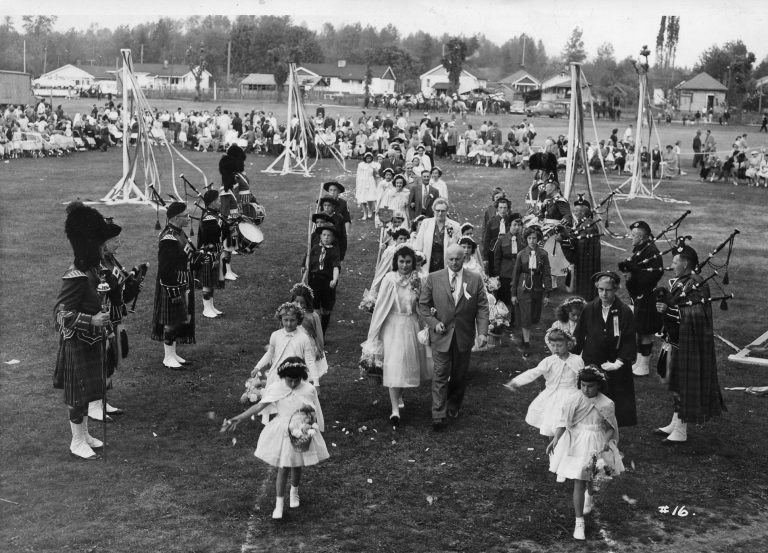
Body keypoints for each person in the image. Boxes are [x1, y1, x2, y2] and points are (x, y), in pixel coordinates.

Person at [223, 357, 329, 520]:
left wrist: (313, 426)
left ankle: (294, 491)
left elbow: (315, 409)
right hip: (282, 431)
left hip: (301, 429)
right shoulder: (276, 388)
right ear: (283, 377)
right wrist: (239, 418)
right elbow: (260, 405)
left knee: (297, 464)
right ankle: (279, 505)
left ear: (302, 377)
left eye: (297, 380)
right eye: (289, 380)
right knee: (283, 466)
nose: (293, 384)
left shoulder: (308, 389)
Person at [54, 202, 121, 460]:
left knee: (89, 392)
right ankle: (76, 441)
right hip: (77, 342)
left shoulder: (94, 271)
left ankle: (85, 435)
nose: (105, 247)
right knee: (77, 395)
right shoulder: (76, 276)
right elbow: (60, 314)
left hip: (93, 341)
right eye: (101, 243)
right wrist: (90, 321)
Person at [654, 245, 726, 444]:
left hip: (687, 342)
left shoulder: (697, 284)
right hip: (675, 340)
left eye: (675, 262)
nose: (672, 266)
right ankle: (675, 421)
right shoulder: (682, 281)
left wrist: (667, 311)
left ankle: (681, 430)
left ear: (685, 264)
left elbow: (695, 314)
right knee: (675, 383)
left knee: (682, 385)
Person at [546, 366, 624, 541]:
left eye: (590, 386)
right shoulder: (573, 399)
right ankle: (579, 521)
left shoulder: (607, 403)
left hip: (595, 442)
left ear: (599, 386)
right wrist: (556, 438)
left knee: (591, 477)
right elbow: (563, 421)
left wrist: (606, 443)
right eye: (583, 385)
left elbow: (610, 427)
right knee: (579, 480)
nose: (585, 389)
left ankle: (590, 495)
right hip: (576, 442)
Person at [420, 244, 489, 429]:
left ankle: (454, 404)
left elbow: (482, 306)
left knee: (459, 374)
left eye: (458, 259)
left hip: (464, 335)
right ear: (446, 259)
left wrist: (482, 333)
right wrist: (434, 323)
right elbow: (423, 306)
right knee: (440, 373)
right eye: (450, 259)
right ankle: (438, 413)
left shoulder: (474, 279)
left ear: (464, 257)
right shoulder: (434, 278)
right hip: (441, 336)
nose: (454, 262)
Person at [362, 246, 429, 426]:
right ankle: (394, 410)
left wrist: (425, 323)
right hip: (392, 326)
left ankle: (400, 395)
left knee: (406, 363)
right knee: (394, 364)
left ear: (413, 263)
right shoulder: (389, 279)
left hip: (411, 324)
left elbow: (423, 305)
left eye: (408, 262)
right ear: (396, 262)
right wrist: (374, 334)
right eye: (401, 261)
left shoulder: (420, 279)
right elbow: (381, 306)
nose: (405, 265)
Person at [90, 217, 144, 422]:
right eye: (115, 240)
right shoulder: (97, 265)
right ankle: (93, 404)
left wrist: (132, 283)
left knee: (110, 359)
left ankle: (102, 401)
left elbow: (120, 291)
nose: (119, 243)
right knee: (101, 359)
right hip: (102, 319)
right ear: (104, 243)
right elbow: (105, 291)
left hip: (114, 315)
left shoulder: (111, 260)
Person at [572, 272, 637, 427]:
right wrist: (570, 358)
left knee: (614, 404)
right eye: (600, 289)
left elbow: (628, 339)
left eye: (607, 290)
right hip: (592, 361)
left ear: (615, 290)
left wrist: (619, 362)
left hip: (615, 365)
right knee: (590, 401)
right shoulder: (589, 309)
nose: (603, 294)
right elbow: (579, 336)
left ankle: (611, 437)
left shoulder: (625, 311)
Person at [504, 328, 584, 436]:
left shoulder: (577, 360)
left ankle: (566, 448)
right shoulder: (549, 361)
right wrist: (516, 381)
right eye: (553, 345)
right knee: (552, 426)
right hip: (553, 397)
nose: (556, 349)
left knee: (569, 427)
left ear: (568, 344)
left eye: (559, 346)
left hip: (571, 396)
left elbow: (583, 376)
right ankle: (554, 448)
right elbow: (534, 372)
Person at [150, 202, 198, 370]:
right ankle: (167, 357)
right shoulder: (169, 239)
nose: (188, 218)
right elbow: (165, 269)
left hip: (182, 281)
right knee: (171, 320)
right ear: (175, 218)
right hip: (172, 284)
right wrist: (174, 291)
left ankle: (173, 353)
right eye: (185, 216)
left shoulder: (178, 232)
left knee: (179, 319)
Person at [619, 221, 664, 376]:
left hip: (647, 296)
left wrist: (635, 275)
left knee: (645, 331)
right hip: (640, 296)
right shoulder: (641, 249)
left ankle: (644, 365)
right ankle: (638, 362)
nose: (631, 238)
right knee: (639, 329)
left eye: (633, 235)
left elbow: (656, 273)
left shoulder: (651, 251)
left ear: (642, 236)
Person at [510, 226, 552, 358]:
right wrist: (513, 293)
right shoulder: (521, 254)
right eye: (529, 238)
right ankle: (527, 344)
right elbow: (515, 275)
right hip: (523, 287)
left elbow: (547, 274)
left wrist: (547, 294)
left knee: (533, 315)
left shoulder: (543, 254)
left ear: (538, 239)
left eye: (534, 238)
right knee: (525, 315)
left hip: (537, 288)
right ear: (526, 239)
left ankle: (524, 337)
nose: (532, 241)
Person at [304, 222, 341, 335]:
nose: (326, 237)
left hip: (327, 283)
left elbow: (336, 266)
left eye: (329, 235)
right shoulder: (315, 248)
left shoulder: (334, 251)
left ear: (333, 238)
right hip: (314, 281)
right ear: (320, 236)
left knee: (326, 309)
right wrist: (304, 269)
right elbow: (307, 261)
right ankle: (313, 331)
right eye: (324, 235)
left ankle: (322, 333)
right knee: (313, 307)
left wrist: (334, 279)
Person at [412, 198, 461, 275]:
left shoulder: (455, 226)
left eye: (443, 211)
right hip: (428, 263)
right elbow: (419, 245)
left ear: (447, 211)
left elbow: (458, 248)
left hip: (445, 263)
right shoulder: (426, 223)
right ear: (433, 211)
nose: (440, 213)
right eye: (437, 210)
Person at [196, 190, 225, 319]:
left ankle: (211, 306)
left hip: (215, 252)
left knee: (212, 281)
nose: (220, 202)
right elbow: (210, 237)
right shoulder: (209, 218)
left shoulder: (214, 214)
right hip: (208, 254)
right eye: (218, 200)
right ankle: (206, 308)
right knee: (207, 282)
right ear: (212, 202)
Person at [290, 283, 327, 382]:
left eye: (302, 302)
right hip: (293, 346)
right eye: (296, 301)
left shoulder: (313, 316)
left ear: (307, 302)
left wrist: (319, 349)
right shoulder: (289, 314)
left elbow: (319, 334)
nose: (298, 305)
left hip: (309, 346)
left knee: (309, 372)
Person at [567, 195, 601, 301]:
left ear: (584, 213)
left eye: (577, 211)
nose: (575, 213)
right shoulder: (582, 224)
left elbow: (581, 246)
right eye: (575, 211)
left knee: (586, 289)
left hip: (586, 265)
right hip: (582, 263)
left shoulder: (589, 228)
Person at [492, 216, 524, 314]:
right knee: (505, 295)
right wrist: (497, 274)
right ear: (509, 226)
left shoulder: (523, 239)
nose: (517, 227)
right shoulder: (502, 239)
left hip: (518, 271)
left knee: (516, 294)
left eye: (519, 225)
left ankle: (515, 317)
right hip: (505, 272)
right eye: (514, 225)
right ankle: (503, 316)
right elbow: (497, 257)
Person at [482, 197, 514, 277]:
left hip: (507, 252)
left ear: (508, 209)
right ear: (497, 208)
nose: (503, 210)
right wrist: (485, 257)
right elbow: (487, 240)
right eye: (501, 208)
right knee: (493, 275)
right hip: (493, 252)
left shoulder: (511, 222)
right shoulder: (491, 222)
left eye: (505, 208)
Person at [355, 151, 378, 220]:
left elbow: (377, 174)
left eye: (370, 158)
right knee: (363, 199)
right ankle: (365, 213)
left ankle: (370, 211)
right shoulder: (361, 165)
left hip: (371, 182)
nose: (368, 159)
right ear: (365, 158)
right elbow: (358, 175)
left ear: (372, 158)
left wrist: (375, 170)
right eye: (367, 158)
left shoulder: (374, 164)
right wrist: (359, 184)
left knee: (370, 198)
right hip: (363, 183)